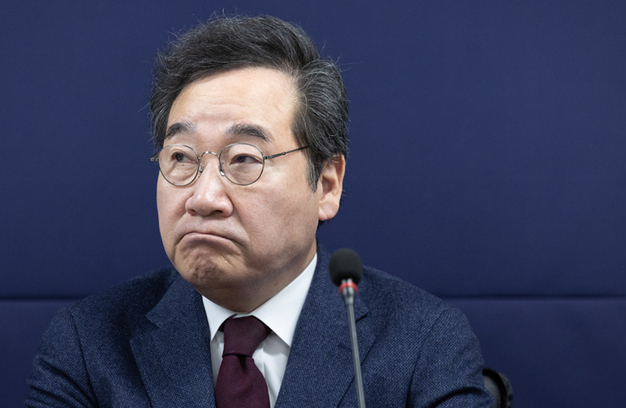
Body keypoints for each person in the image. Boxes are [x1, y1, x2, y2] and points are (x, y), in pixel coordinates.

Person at [26, 15, 493, 408]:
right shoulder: (87, 346)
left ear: (327, 184)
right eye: (181, 157)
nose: (203, 197)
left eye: (244, 159)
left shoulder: (424, 344)